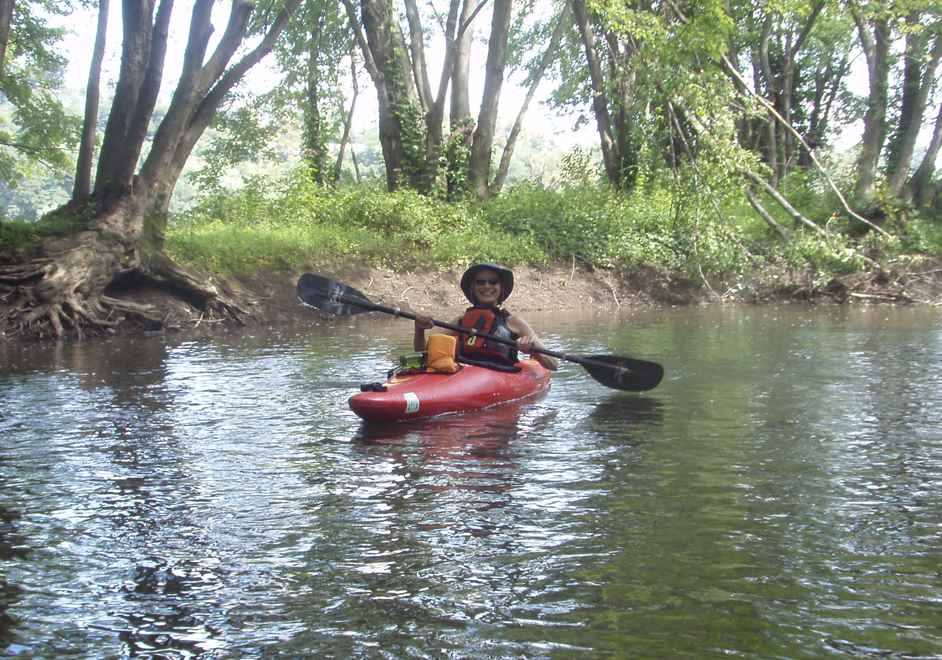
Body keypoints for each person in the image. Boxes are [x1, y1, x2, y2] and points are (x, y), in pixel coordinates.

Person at [413, 263, 559, 371]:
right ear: (473, 288)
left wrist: (532, 349)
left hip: (501, 376)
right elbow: (423, 351)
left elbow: (553, 364)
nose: (487, 286)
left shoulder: (514, 322)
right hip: (466, 376)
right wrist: (419, 330)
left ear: (501, 288)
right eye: (480, 282)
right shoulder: (460, 321)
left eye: (493, 282)